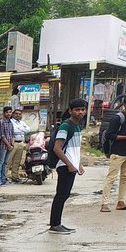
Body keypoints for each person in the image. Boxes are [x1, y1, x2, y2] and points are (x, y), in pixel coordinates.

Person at [48, 99, 88, 235]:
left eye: (82, 109)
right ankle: (55, 224)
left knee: (65, 194)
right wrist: (70, 164)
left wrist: (78, 163)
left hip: (71, 165)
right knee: (61, 195)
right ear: (70, 111)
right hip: (65, 165)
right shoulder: (66, 126)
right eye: (77, 110)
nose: (81, 112)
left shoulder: (77, 126)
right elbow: (57, 148)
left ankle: (57, 223)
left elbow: (73, 148)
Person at [100, 93, 126, 212]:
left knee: (125, 177)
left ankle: (121, 202)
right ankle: (104, 204)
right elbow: (110, 135)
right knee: (111, 177)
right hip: (118, 152)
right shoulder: (118, 118)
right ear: (124, 105)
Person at [0, 106, 15, 186]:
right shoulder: (1, 122)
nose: (8, 114)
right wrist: (8, 145)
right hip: (3, 146)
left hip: (10, 146)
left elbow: (13, 134)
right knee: (0, 162)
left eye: (10, 112)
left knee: (5, 163)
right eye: (7, 112)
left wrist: (12, 144)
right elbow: (1, 136)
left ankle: (3, 179)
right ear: (4, 113)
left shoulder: (10, 122)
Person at [9, 110, 30, 182]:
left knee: (17, 162)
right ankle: (4, 176)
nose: (18, 115)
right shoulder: (10, 121)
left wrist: (19, 129)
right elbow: (13, 131)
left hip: (20, 143)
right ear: (13, 114)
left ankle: (14, 177)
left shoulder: (22, 122)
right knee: (8, 161)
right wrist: (22, 130)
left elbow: (28, 130)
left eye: (19, 114)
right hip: (12, 143)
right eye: (16, 114)